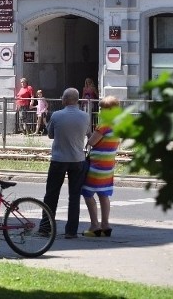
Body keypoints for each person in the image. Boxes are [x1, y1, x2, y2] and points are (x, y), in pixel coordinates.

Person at [41, 87, 90, 239]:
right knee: (74, 196)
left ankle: (45, 227)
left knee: (51, 194)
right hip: (77, 160)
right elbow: (88, 134)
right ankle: (71, 231)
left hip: (59, 159)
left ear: (65, 99)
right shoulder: (85, 116)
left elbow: (50, 135)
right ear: (77, 100)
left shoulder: (56, 115)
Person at [82, 96, 121, 238]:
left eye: (102, 108)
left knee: (87, 193)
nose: (100, 111)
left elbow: (92, 142)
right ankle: (106, 225)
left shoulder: (104, 125)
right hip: (108, 166)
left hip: (96, 166)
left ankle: (94, 225)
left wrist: (88, 133)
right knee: (103, 194)